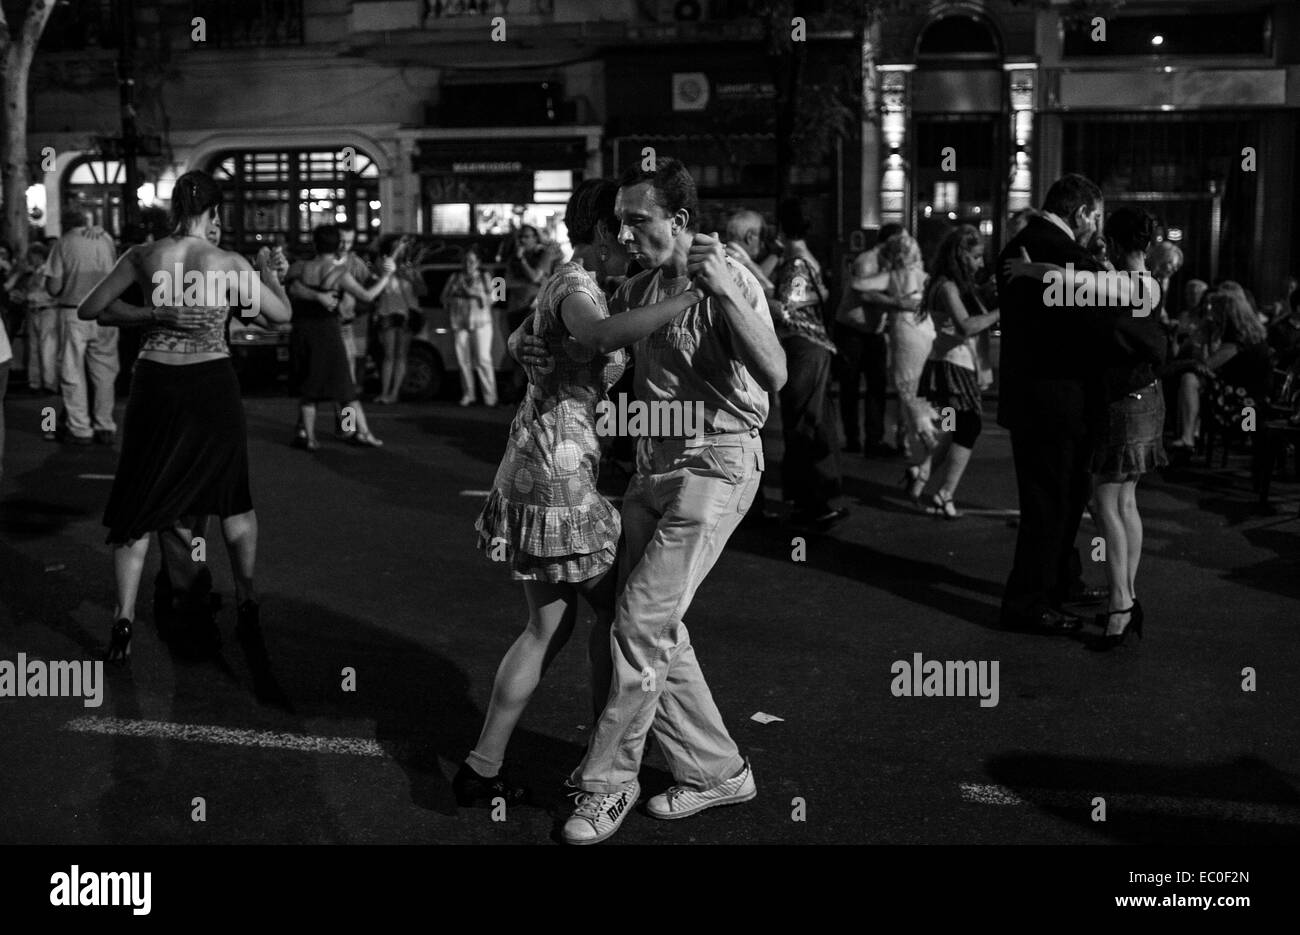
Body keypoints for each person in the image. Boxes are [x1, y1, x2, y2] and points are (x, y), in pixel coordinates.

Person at [457, 179, 706, 808]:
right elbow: (597, 337)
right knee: (624, 615)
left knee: (549, 627)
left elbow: (556, 334)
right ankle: (606, 757)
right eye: (620, 230)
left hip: (540, 461)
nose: (630, 242)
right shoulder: (576, 287)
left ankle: (482, 767)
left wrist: (519, 339)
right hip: (557, 476)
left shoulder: (583, 285)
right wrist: (692, 299)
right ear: (599, 233)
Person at [558, 159, 785, 845]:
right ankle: (717, 769)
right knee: (654, 627)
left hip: (715, 463)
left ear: (680, 221)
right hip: (652, 468)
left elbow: (774, 373)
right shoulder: (640, 284)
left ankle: (607, 783)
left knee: (637, 621)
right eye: (620, 219)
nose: (625, 231)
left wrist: (722, 289)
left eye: (639, 219)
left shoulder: (727, 275)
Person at [74, 170, 292, 663]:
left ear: (173, 207)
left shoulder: (144, 255)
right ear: (215, 213)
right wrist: (270, 274)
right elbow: (280, 316)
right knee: (232, 496)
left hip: (156, 382)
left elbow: (92, 309)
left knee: (141, 496)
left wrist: (152, 314)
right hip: (210, 383)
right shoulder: (227, 263)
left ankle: (122, 617)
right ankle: (248, 598)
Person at [996, 174, 1111, 634]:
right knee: (1053, 503)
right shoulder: (1063, 253)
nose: (1095, 227)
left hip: (1032, 397)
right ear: (1081, 213)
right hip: (1060, 401)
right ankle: (1029, 601)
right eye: (1095, 217)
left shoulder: (1021, 245)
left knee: (1054, 500)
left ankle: (1061, 580)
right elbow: (1093, 323)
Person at [911, 225, 1001, 518]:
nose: (980, 263)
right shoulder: (948, 287)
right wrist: (1002, 311)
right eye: (976, 257)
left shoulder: (952, 284)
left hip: (952, 362)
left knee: (955, 427)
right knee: (969, 426)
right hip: (953, 364)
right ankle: (944, 493)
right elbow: (966, 326)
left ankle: (922, 472)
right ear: (961, 255)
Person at [771, 198, 847, 527]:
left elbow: (786, 309)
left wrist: (757, 295)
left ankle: (811, 501)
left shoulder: (797, 264)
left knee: (803, 422)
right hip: (813, 348)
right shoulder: (806, 260)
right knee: (812, 421)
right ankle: (815, 497)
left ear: (780, 230)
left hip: (804, 349)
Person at [285, 224, 396, 450]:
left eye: (350, 240)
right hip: (331, 330)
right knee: (343, 385)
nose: (346, 245)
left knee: (317, 385)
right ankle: (338, 430)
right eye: (342, 240)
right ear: (336, 243)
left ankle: (343, 429)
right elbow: (368, 294)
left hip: (319, 328)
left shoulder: (348, 264)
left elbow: (291, 286)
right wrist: (387, 275)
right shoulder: (335, 269)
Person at [47, 210, 118, 445]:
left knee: (72, 371)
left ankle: (80, 427)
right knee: (105, 371)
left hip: (73, 311)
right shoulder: (105, 239)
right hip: (105, 311)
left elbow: (54, 286)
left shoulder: (64, 243)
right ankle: (105, 424)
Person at [835, 222, 906, 457]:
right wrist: (897, 303)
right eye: (901, 240)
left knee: (877, 387)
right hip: (851, 332)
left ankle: (873, 441)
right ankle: (853, 439)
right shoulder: (867, 260)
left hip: (872, 333)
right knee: (850, 386)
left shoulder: (890, 263)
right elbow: (864, 293)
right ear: (889, 241)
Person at [442, 246, 498, 407]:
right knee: (463, 361)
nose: (468, 264)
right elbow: (444, 298)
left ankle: (490, 397)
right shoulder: (454, 278)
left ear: (478, 262)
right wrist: (454, 293)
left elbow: (494, 298)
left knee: (483, 359)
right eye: (466, 261)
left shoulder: (485, 277)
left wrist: (475, 294)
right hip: (459, 323)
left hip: (481, 323)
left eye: (472, 261)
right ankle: (468, 394)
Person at [373, 234, 418, 405]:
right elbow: (384, 269)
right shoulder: (385, 263)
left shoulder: (409, 267)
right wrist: (397, 249)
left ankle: (394, 392)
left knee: (401, 355)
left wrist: (412, 276)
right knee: (389, 355)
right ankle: (385, 392)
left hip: (406, 313)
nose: (400, 249)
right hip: (388, 313)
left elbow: (421, 290)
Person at [11, 243, 59, 396]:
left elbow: (50, 293)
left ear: (38, 255)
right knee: (34, 349)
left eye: (31, 255)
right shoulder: (35, 272)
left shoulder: (46, 271)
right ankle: (35, 382)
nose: (29, 259)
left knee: (47, 349)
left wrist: (26, 296)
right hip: (34, 311)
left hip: (46, 310)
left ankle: (48, 384)